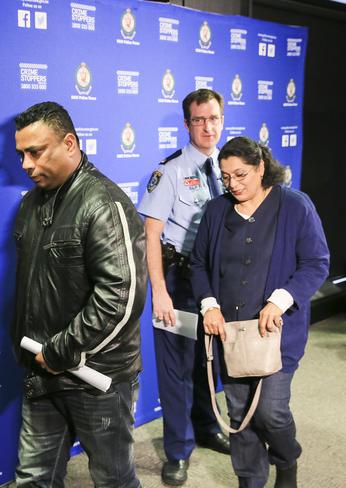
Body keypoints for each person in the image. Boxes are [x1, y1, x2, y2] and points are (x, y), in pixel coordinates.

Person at [12, 101, 147, 488]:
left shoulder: (103, 202)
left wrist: (61, 351)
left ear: (69, 144)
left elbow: (120, 297)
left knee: (112, 479)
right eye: (21, 153)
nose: (25, 164)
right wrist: (43, 355)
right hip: (43, 370)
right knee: (33, 478)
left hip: (97, 377)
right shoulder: (30, 204)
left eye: (35, 152)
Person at [190, 136, 329, 488]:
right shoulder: (217, 210)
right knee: (240, 414)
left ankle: (286, 460)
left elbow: (316, 263)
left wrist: (280, 299)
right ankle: (250, 479)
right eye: (226, 177)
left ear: (262, 168)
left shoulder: (295, 205)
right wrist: (209, 304)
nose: (233, 185)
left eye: (241, 175)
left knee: (270, 411)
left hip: (277, 336)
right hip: (231, 334)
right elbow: (198, 264)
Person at [137, 88, 231, 485]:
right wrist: (159, 291)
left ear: (222, 120)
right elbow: (151, 234)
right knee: (176, 368)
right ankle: (178, 450)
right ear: (187, 123)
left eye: (213, 118)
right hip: (178, 280)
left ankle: (208, 427)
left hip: (217, 280)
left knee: (209, 363)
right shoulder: (170, 170)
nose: (207, 127)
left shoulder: (231, 168)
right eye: (198, 119)